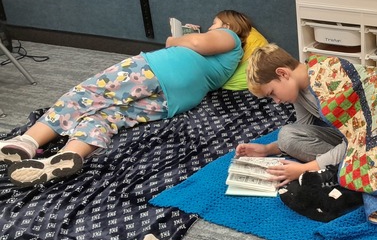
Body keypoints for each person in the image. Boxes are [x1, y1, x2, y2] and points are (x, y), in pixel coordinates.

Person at [0, 10, 250, 188]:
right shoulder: (228, 64)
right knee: (109, 116)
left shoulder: (231, 37)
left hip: (158, 70)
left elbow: (196, 42)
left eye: (214, 24)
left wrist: (174, 40)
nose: (211, 29)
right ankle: (68, 155)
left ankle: (27, 142)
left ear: (228, 25)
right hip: (176, 100)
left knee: (85, 94)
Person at [235, 43, 347, 186]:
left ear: (283, 73)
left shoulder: (328, 81)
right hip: (346, 138)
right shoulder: (298, 90)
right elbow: (303, 131)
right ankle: (337, 162)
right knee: (287, 135)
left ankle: (339, 164)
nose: (276, 102)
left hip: (368, 141)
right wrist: (268, 149)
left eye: (272, 93)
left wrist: (304, 169)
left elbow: (359, 141)